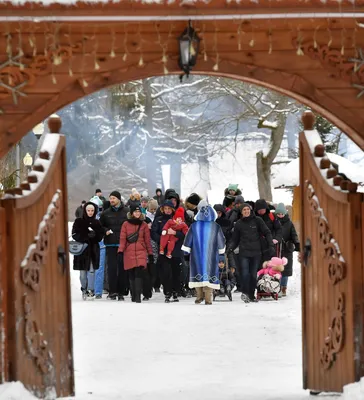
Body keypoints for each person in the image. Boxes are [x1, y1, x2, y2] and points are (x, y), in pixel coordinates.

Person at [227, 203, 274, 303]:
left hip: (256, 252)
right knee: (244, 274)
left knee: (253, 274)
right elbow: (235, 239)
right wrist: (230, 248)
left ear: (251, 210)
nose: (246, 211)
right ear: (241, 212)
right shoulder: (239, 224)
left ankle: (251, 295)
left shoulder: (257, 220)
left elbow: (267, 232)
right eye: (244, 210)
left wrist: (270, 245)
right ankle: (245, 293)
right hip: (244, 252)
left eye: (247, 209)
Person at [182, 201, 226, 305]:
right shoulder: (215, 226)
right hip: (211, 256)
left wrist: (186, 252)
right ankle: (208, 297)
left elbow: (188, 240)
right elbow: (221, 241)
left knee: (197, 274)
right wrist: (221, 253)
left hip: (197, 255)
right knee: (209, 275)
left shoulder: (194, 226)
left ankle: (199, 296)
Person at [118, 205, 154, 303]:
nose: (137, 213)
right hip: (128, 251)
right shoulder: (125, 224)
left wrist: (150, 254)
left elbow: (147, 241)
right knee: (131, 274)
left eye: (139, 212)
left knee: (139, 273)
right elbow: (122, 239)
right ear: (131, 213)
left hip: (141, 251)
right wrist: (120, 251)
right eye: (135, 212)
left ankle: (137, 296)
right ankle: (133, 295)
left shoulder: (144, 225)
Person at [151, 200, 185, 303]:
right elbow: (153, 233)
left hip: (175, 249)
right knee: (165, 272)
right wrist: (162, 239)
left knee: (176, 271)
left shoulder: (177, 219)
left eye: (169, 209)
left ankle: (175, 291)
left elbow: (184, 233)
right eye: (165, 209)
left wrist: (175, 233)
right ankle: (167, 291)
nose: (167, 211)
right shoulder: (158, 220)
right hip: (163, 249)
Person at [99, 190, 129, 301]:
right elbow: (100, 226)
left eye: (113, 198)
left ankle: (121, 292)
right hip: (111, 243)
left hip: (123, 244)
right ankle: (112, 291)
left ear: (119, 199)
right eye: (110, 198)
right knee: (111, 268)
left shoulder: (127, 211)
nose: (111, 200)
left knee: (122, 268)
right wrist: (105, 230)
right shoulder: (105, 213)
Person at [72, 202, 104, 299]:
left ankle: (91, 290)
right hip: (82, 250)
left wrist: (95, 235)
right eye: (88, 210)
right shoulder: (79, 221)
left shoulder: (97, 222)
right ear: (85, 210)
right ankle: (84, 289)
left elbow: (100, 236)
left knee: (91, 271)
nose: (90, 212)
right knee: (82, 274)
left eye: (92, 210)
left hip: (93, 250)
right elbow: (74, 234)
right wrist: (85, 236)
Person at [275, 203, 300, 296]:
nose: (280, 215)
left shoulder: (289, 223)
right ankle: (276, 287)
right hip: (277, 248)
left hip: (287, 249)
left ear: (285, 213)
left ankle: (283, 287)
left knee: (285, 269)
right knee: (277, 268)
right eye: (278, 214)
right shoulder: (274, 222)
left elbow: (294, 235)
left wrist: (297, 244)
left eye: (282, 214)